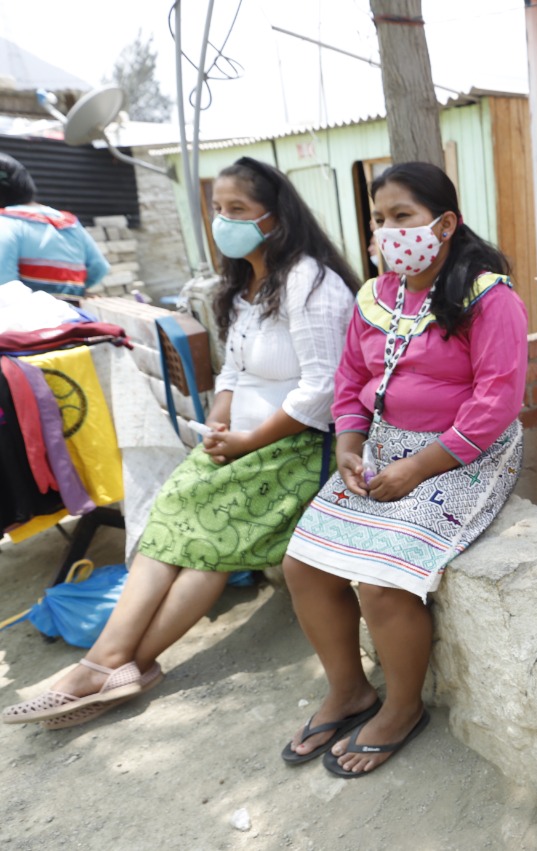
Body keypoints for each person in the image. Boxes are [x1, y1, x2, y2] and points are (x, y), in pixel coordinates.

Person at [2, 157, 360, 729]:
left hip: (296, 450)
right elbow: (234, 374)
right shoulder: (247, 284)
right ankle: (114, 666)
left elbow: (323, 393)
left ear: (276, 216)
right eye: (218, 209)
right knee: (173, 520)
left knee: (206, 536)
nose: (223, 221)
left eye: (237, 210)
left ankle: (115, 666)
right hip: (238, 445)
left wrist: (245, 442)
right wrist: (219, 424)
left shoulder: (310, 283)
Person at [280, 162, 527, 778]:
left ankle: (400, 707)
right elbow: (350, 382)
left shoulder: (490, 300)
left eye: (402, 218)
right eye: (379, 220)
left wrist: (417, 468)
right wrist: (348, 443)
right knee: (303, 564)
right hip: (382, 446)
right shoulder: (377, 297)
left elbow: (495, 405)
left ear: (444, 224)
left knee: (382, 579)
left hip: (461, 453)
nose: (389, 232)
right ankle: (348, 691)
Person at [0, 153, 110, 301]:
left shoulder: (6, 222)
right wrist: (72, 292)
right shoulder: (67, 221)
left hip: (31, 318)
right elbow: (100, 268)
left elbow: (5, 285)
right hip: (75, 315)